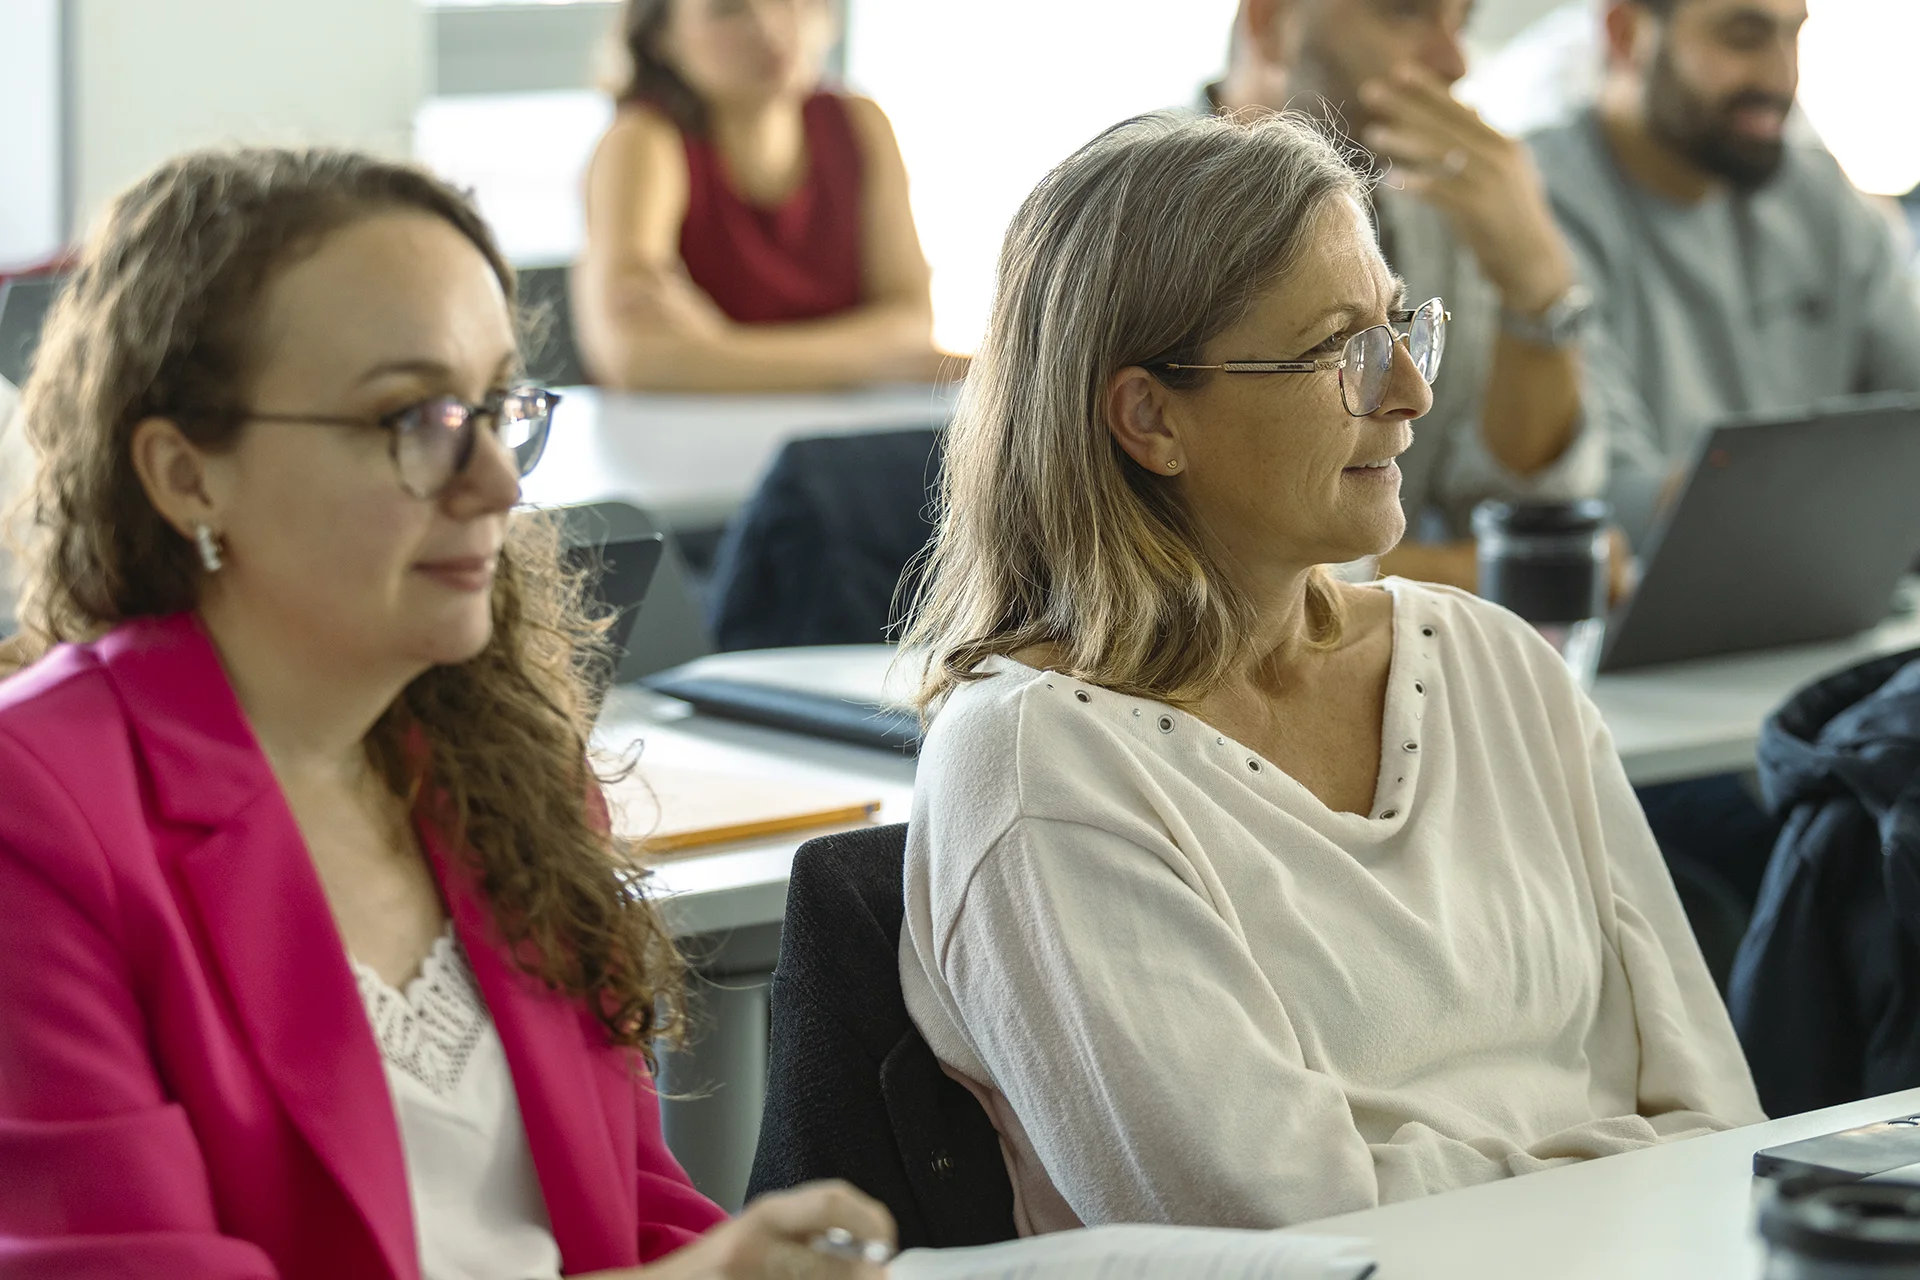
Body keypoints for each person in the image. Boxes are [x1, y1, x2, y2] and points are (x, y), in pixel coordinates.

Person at [0, 145, 892, 1279]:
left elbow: (635, 1213)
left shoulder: (503, 764)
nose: (500, 486)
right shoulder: (37, 810)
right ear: (187, 474)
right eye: (412, 418)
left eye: (495, 409)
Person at [896, 110, 1762, 1235]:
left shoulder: (1499, 666)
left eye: (1403, 325)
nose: (1408, 390)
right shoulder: (1036, 764)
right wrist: (1622, 1171)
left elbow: (1730, 1126)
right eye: (1340, 347)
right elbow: (1277, 1228)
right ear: (1150, 416)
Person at [1210, 0, 1641, 592]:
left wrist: (1536, 286)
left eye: (1460, 23)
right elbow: (1180, 550)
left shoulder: (1435, 210)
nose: (1455, 61)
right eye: (1405, 13)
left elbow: (1529, 516)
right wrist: (1472, 573)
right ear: (1271, 22)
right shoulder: (1128, 224)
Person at [1528, 0, 1920, 547]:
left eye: (1793, 37)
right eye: (1743, 37)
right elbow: (1599, 500)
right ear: (1627, 32)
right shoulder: (1532, 211)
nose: (1783, 76)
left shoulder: (1819, 196)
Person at [574, 0, 949, 393]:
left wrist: (718, 349)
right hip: (685, 443)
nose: (769, 26)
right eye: (727, 10)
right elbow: (633, 356)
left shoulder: (860, 125)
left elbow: (912, 324)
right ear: (660, 39)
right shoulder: (642, 142)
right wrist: (868, 360)